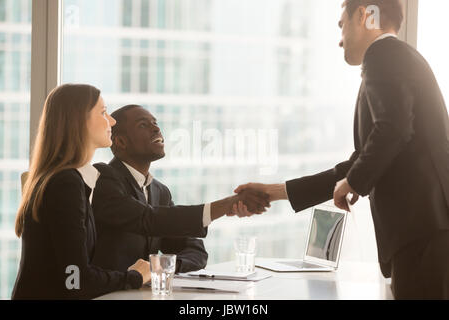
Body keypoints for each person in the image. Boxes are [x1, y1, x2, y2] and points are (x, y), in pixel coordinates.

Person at [234, 0, 449, 299]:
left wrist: (356, 181)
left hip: (421, 232)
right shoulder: (399, 58)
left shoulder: (383, 55)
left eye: (341, 25)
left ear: (364, 15)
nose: (339, 39)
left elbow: (393, 130)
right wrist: (274, 192)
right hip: (426, 231)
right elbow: (361, 161)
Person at [91, 105, 270, 273]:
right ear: (121, 142)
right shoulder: (103, 178)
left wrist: (162, 267)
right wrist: (225, 205)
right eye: (143, 125)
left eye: (155, 123)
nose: (156, 129)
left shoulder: (159, 191)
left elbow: (195, 250)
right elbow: (149, 218)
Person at [12, 84, 151, 300]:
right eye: (103, 112)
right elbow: (75, 280)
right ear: (78, 121)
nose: (112, 121)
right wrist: (133, 277)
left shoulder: (66, 178)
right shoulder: (65, 183)